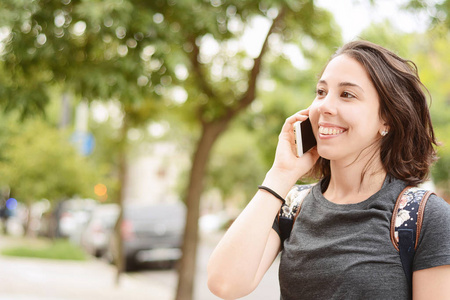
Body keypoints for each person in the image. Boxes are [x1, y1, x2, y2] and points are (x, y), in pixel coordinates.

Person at [207, 40, 450, 299]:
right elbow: (225, 284)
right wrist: (281, 174)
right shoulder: (291, 206)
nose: (323, 106)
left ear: (387, 118)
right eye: (321, 92)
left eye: (347, 94)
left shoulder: (426, 218)